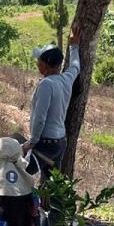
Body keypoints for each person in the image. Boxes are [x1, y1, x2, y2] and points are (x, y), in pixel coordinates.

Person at [22, 44, 80, 179]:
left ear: (46, 64)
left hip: (45, 144)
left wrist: (32, 142)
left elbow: (40, 117)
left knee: (19, 175)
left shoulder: (46, 85)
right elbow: (75, 67)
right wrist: (74, 46)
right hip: (59, 143)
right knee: (53, 187)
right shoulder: (66, 79)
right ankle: (53, 201)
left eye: (39, 61)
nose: (37, 63)